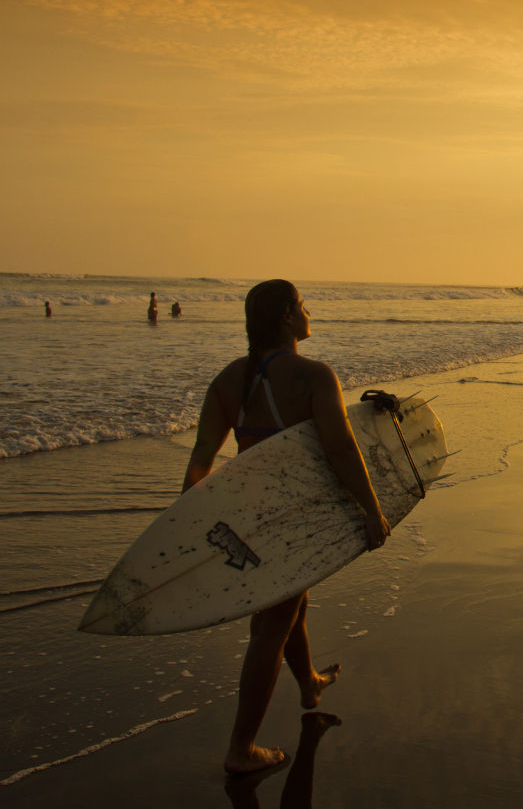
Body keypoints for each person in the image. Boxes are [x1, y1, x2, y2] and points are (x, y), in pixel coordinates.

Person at [184, 280, 390, 775]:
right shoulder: (315, 376)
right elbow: (340, 450)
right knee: (271, 626)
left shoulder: (226, 381)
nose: (307, 311)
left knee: (292, 603)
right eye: (300, 306)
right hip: (295, 519)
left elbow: (200, 464)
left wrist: (196, 528)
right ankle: (241, 747)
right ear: (284, 318)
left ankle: (309, 683)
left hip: (248, 517)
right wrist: (371, 509)